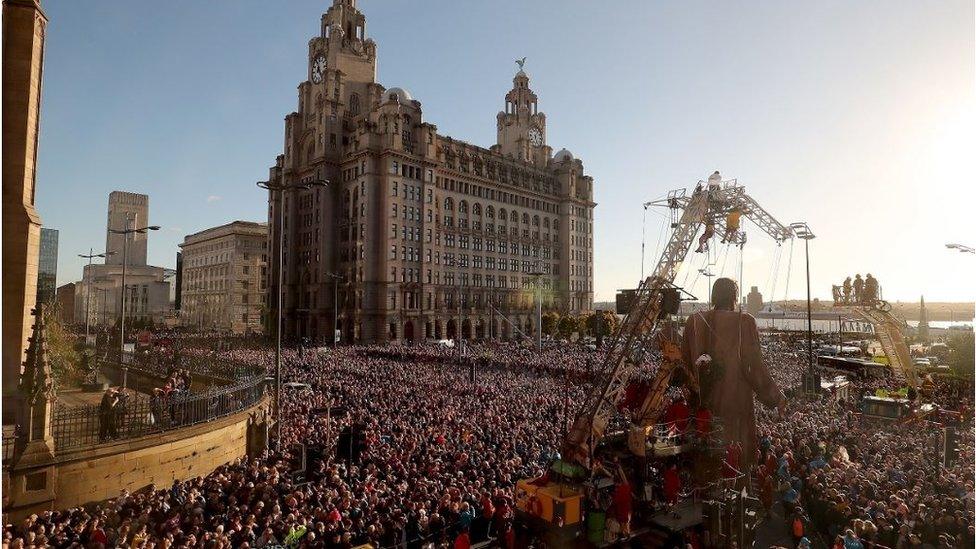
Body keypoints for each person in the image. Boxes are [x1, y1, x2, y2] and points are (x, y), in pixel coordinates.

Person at [681, 278, 786, 473]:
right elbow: (753, 367)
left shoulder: (693, 322)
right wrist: (776, 398)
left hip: (702, 409)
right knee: (734, 464)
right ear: (735, 297)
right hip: (735, 409)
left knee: (704, 464)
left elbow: (684, 366)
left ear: (714, 296)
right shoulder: (745, 322)